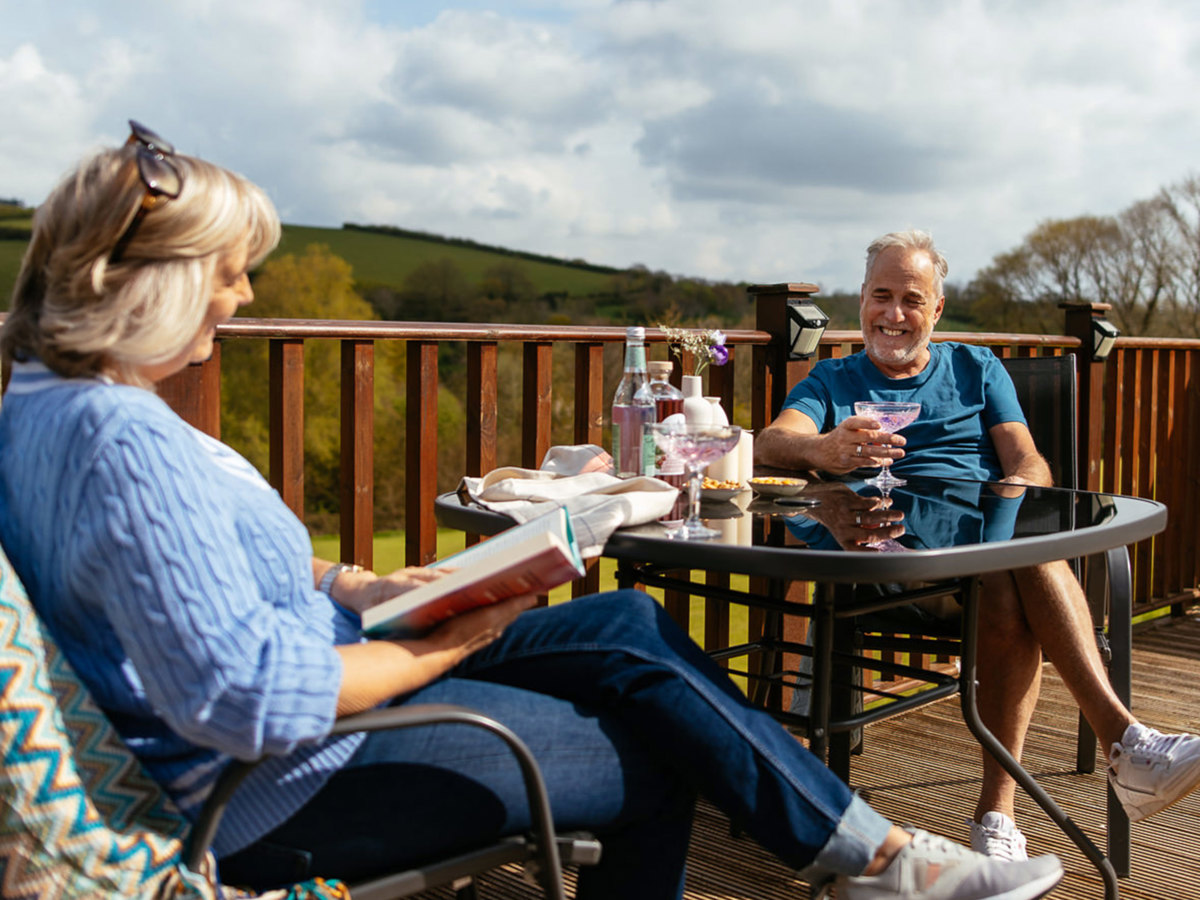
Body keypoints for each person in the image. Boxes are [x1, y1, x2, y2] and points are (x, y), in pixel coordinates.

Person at [0, 123, 1065, 900]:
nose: (241, 298)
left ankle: (875, 857)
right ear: (152, 281)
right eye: (228, 275)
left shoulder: (49, 408)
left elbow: (190, 578)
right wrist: (448, 639)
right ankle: (880, 859)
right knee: (659, 756)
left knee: (630, 622)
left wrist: (357, 583)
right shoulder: (117, 440)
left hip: (339, 665)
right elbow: (249, 701)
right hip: (292, 780)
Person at [756, 228, 1200, 862]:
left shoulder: (977, 368)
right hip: (888, 560)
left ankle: (1007, 811)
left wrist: (1013, 502)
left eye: (912, 299)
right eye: (882, 296)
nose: (894, 314)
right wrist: (824, 448)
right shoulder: (832, 378)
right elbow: (773, 442)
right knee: (1019, 567)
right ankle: (1113, 757)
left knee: (1013, 567)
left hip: (984, 546)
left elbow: (1027, 462)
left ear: (936, 309)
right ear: (862, 299)